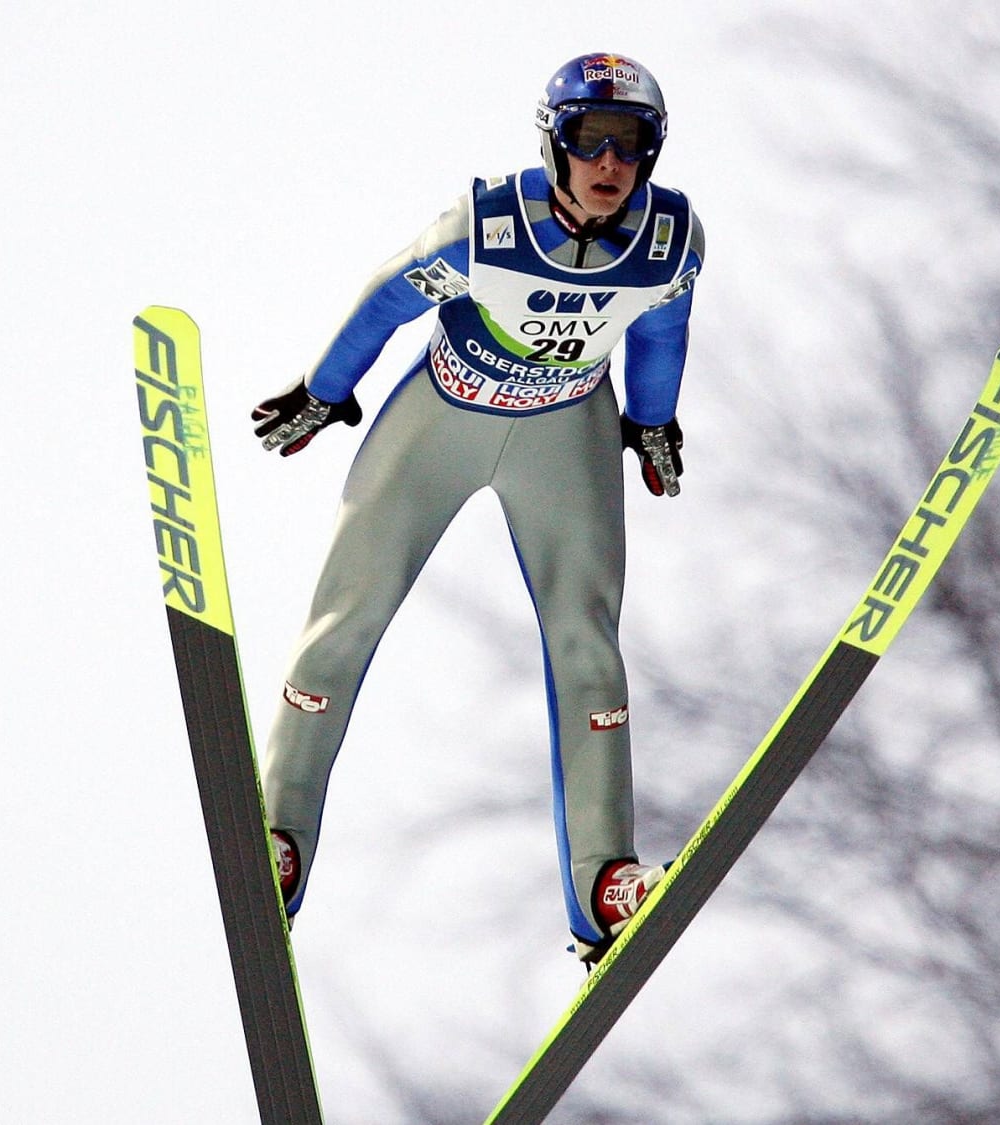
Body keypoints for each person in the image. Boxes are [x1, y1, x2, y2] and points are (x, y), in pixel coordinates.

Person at [250, 52, 704, 964]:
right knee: (345, 620)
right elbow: (386, 296)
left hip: (565, 427)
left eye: (631, 145)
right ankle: (279, 835)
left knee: (588, 644)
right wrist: (326, 388)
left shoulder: (670, 241)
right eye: (590, 140)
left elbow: (661, 329)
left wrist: (652, 422)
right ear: (554, 142)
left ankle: (603, 882)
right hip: (442, 418)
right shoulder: (487, 227)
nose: (610, 165)